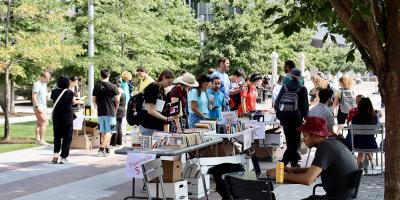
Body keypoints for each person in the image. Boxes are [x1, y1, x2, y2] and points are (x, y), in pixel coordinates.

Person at [267, 116, 358, 200]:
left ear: (316, 135)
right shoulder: (332, 143)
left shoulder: (325, 147)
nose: (303, 139)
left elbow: (308, 179)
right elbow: (316, 171)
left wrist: (278, 175)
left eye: (305, 136)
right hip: (343, 196)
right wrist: (292, 170)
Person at [274, 69, 309, 167]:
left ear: (290, 77)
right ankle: (286, 162)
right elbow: (305, 106)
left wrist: (279, 113)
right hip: (296, 118)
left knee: (289, 139)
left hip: (284, 117)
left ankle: (292, 162)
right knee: (295, 140)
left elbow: (277, 102)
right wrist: (306, 118)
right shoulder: (302, 89)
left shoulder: (284, 87)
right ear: (299, 78)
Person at [51, 76, 83, 164]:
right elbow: (74, 102)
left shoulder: (54, 91)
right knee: (67, 137)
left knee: (57, 136)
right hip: (67, 117)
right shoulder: (69, 92)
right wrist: (80, 101)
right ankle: (63, 157)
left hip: (57, 116)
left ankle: (55, 154)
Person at [140, 70, 178, 135]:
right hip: (149, 125)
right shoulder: (153, 87)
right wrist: (166, 119)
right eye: (169, 82)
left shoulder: (162, 90)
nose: (169, 85)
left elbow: (159, 108)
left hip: (157, 124)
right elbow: (151, 110)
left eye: (171, 83)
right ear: (164, 77)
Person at [93, 69, 120, 156]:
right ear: (109, 75)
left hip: (100, 112)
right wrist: (115, 109)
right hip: (110, 111)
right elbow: (117, 100)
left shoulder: (96, 86)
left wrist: (99, 105)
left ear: (100, 75)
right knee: (110, 131)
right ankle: (101, 149)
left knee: (103, 131)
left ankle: (106, 148)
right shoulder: (113, 86)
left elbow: (94, 100)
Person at [351, 97, 379, 168]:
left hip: (357, 144)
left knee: (362, 148)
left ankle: (358, 168)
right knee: (366, 142)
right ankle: (370, 160)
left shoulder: (355, 118)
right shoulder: (374, 117)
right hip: (371, 144)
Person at [32, 71, 51, 146]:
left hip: (43, 106)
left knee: (39, 123)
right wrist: (37, 107)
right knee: (44, 122)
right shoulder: (37, 84)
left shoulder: (44, 84)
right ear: (42, 77)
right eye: (47, 78)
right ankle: (42, 140)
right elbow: (34, 97)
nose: (48, 80)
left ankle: (37, 139)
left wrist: (45, 107)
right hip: (38, 107)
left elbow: (45, 96)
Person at [110, 78, 126, 146]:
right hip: (122, 109)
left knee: (115, 126)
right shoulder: (122, 90)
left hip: (118, 109)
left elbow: (117, 101)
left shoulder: (118, 91)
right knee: (119, 126)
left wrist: (115, 110)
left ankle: (114, 142)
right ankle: (119, 142)